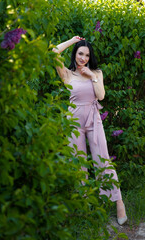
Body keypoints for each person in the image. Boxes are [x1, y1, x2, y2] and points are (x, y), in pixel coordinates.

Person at [52, 36, 127, 225]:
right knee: (79, 164)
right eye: (80, 54)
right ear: (75, 54)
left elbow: (100, 96)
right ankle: (84, 205)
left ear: (90, 56)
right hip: (74, 121)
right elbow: (53, 52)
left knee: (103, 159)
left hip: (94, 119)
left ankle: (118, 202)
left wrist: (92, 76)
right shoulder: (67, 74)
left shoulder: (97, 73)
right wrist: (72, 40)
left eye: (86, 55)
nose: (83, 58)